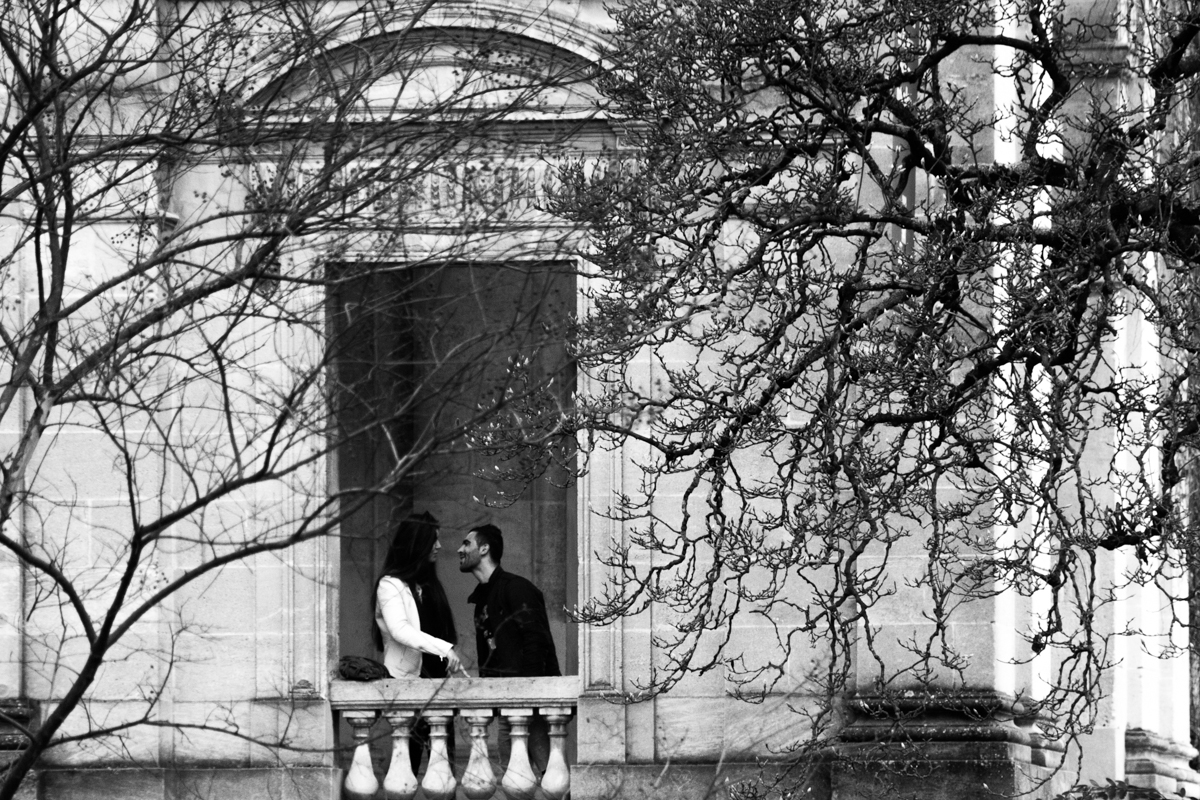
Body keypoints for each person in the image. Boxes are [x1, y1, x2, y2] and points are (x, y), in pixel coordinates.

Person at [457, 523, 559, 771]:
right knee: (514, 778)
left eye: (466, 543)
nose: (460, 549)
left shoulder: (516, 588)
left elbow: (537, 640)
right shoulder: (483, 596)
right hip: (506, 703)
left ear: (484, 549)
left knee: (549, 775)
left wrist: (528, 694)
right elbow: (490, 653)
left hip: (529, 704)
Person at [374, 511, 462, 771]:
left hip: (437, 687)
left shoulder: (431, 585)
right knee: (405, 767)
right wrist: (444, 648)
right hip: (407, 685)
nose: (439, 546)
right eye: (433, 540)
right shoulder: (389, 585)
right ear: (416, 544)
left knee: (445, 767)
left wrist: (447, 651)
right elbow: (400, 629)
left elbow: (445, 632)